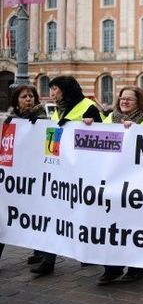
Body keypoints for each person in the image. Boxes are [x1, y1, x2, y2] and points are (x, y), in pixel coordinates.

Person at [29, 75, 103, 276]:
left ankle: (87, 253)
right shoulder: (56, 111)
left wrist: (92, 125)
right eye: (51, 89)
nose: (52, 93)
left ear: (66, 90)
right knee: (55, 215)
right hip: (60, 172)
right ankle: (48, 261)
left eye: (55, 89)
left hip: (84, 174)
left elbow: (104, 138)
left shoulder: (88, 107)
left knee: (83, 215)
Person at [98, 86, 143, 285]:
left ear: (139, 102)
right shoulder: (110, 119)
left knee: (134, 227)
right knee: (111, 227)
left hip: (136, 183)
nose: (125, 101)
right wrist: (88, 124)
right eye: (122, 98)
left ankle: (136, 268)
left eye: (130, 99)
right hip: (112, 181)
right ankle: (112, 268)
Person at [1, 84, 48, 265]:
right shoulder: (10, 121)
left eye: (31, 96)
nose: (28, 99)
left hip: (38, 177)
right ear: (16, 100)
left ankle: (42, 254)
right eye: (23, 97)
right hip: (15, 179)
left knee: (38, 215)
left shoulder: (44, 119)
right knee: (6, 216)